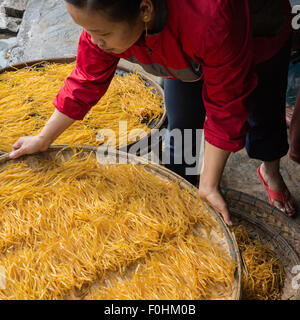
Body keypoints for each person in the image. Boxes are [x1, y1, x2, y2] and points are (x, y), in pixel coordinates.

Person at [9, 0, 296, 225]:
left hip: (256, 31)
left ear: (144, 9)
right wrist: (43, 137)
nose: (96, 42)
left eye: (103, 33)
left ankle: (269, 171)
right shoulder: (110, 22)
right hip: (178, 42)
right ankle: (188, 184)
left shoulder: (210, 18)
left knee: (263, 111)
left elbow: (226, 107)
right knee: (182, 124)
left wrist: (211, 184)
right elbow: (85, 80)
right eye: (89, 31)